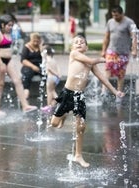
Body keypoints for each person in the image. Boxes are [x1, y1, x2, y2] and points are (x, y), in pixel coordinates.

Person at [49, 35, 125, 168]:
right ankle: (64, 115)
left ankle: (78, 155)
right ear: (72, 47)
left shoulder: (90, 64)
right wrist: (103, 59)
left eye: (82, 42)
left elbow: (102, 78)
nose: (78, 44)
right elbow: (91, 60)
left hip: (79, 96)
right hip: (67, 93)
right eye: (76, 42)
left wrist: (115, 92)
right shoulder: (74, 54)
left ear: (86, 47)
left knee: (81, 127)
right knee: (54, 124)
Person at [0, 14, 37, 117]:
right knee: (0, 84)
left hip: (9, 60)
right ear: (2, 25)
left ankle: (25, 105)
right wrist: (1, 63)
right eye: (8, 25)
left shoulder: (10, 33)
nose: (10, 27)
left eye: (11, 25)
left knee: (17, 80)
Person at [101, 5, 137, 103]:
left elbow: (134, 37)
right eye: (113, 15)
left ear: (122, 14)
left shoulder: (129, 22)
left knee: (121, 74)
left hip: (123, 53)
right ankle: (104, 92)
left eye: (117, 15)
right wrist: (103, 50)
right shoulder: (110, 22)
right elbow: (106, 37)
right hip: (111, 51)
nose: (115, 17)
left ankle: (119, 93)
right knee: (108, 69)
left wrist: (134, 50)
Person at [21, 32, 42, 100]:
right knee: (27, 75)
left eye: (37, 41)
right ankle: (25, 93)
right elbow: (23, 60)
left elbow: (45, 58)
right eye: (34, 41)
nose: (35, 43)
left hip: (39, 65)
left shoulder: (40, 47)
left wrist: (41, 47)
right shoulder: (26, 47)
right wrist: (33, 66)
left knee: (46, 74)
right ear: (31, 39)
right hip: (29, 66)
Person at [41, 45, 61, 114]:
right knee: (52, 91)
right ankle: (57, 102)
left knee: (49, 92)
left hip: (51, 77)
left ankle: (49, 106)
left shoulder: (48, 60)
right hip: (56, 78)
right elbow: (58, 67)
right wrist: (58, 75)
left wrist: (56, 74)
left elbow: (49, 69)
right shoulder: (53, 59)